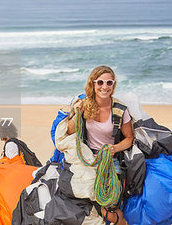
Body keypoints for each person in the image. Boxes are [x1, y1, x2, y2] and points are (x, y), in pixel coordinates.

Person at [67, 65, 134, 225]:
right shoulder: (84, 104)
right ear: (93, 83)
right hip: (87, 161)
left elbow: (129, 138)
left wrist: (114, 148)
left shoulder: (120, 110)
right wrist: (77, 112)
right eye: (100, 82)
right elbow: (70, 131)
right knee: (85, 207)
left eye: (109, 83)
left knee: (108, 209)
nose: (105, 87)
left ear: (113, 85)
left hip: (110, 162)